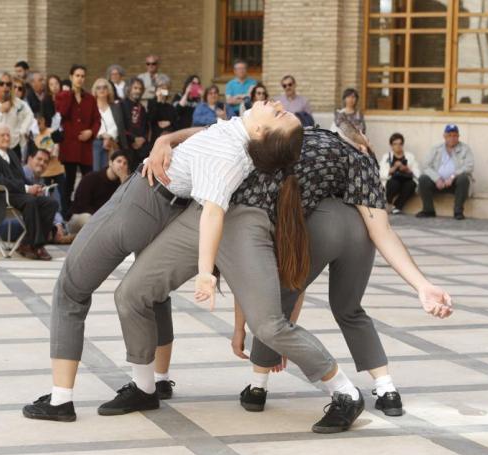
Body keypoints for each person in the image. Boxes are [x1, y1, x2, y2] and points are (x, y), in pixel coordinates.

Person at [107, 128, 453, 430]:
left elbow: (282, 271)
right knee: (347, 310)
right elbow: (381, 232)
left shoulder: (302, 158)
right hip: (228, 214)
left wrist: (166, 139)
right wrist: (422, 285)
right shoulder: (344, 159)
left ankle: (301, 389)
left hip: (273, 222)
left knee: (274, 312)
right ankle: (386, 389)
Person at [21, 101, 304, 423]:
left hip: (142, 200)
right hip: (169, 207)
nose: (278, 103)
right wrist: (164, 140)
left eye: (280, 113)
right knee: (152, 293)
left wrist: (204, 273)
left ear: (261, 131)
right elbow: (205, 134)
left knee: (70, 291)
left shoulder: (228, 157)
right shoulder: (238, 134)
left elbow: (213, 212)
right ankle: (157, 380)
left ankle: (60, 400)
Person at [0, 123, 57, 260]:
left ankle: (26, 243)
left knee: (50, 203)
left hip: (15, 194)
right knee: (30, 201)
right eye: (3, 135)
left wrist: (35, 187)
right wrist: (26, 189)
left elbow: (21, 178)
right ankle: (37, 245)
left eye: (8, 135)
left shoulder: (11, 153)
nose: (7, 138)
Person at [56, 65, 100, 214]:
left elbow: (97, 120)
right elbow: (62, 113)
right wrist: (71, 94)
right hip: (69, 147)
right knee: (69, 181)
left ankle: (87, 209)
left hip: (85, 147)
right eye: (77, 76)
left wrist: (91, 132)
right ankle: (66, 212)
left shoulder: (91, 99)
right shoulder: (63, 96)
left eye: (82, 76)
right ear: (71, 77)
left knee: (89, 179)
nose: (80, 79)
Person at [417, 124, 475, 220]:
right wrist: (437, 179)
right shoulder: (436, 148)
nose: (452, 138)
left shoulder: (465, 149)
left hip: (455, 184)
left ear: (458, 136)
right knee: (423, 179)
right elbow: (426, 166)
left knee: (464, 179)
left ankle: (458, 211)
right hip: (437, 183)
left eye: (455, 135)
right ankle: (428, 210)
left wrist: (453, 176)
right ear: (444, 136)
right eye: (449, 135)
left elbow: (469, 166)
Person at [66, 149, 128, 235]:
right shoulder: (92, 178)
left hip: (103, 222)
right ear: (110, 163)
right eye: (119, 161)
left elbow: (124, 207)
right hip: (79, 218)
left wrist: (124, 183)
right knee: (88, 218)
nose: (121, 165)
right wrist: (101, 217)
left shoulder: (121, 184)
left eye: (125, 163)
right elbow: (82, 205)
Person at [379, 132, 419, 214]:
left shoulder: (410, 156)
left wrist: (407, 169)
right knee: (394, 183)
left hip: (406, 180)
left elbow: (417, 172)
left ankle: (397, 206)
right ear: (391, 145)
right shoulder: (387, 157)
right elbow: (381, 173)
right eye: (395, 144)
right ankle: (388, 203)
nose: (398, 146)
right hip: (393, 180)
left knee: (411, 185)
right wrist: (394, 168)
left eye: (400, 144)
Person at [91, 78, 124, 171]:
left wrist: (109, 137)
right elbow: (89, 125)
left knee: (111, 173)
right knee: (96, 172)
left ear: (109, 90)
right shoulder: (90, 107)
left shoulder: (115, 107)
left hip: (112, 144)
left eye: (105, 87)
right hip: (95, 143)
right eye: (98, 88)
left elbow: (118, 125)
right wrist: (102, 135)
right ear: (95, 91)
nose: (102, 90)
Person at [120, 78, 149, 172]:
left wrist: (142, 139)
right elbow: (121, 126)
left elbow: (146, 127)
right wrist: (134, 139)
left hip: (141, 148)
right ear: (129, 89)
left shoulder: (142, 107)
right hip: (127, 145)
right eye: (135, 88)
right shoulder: (121, 105)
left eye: (140, 89)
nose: (138, 91)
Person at [147, 75, 177, 147]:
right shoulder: (152, 103)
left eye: (165, 87)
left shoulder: (170, 107)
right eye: (160, 87)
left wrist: (169, 122)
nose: (163, 89)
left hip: (168, 139)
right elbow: (151, 119)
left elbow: (175, 122)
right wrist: (158, 101)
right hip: (155, 138)